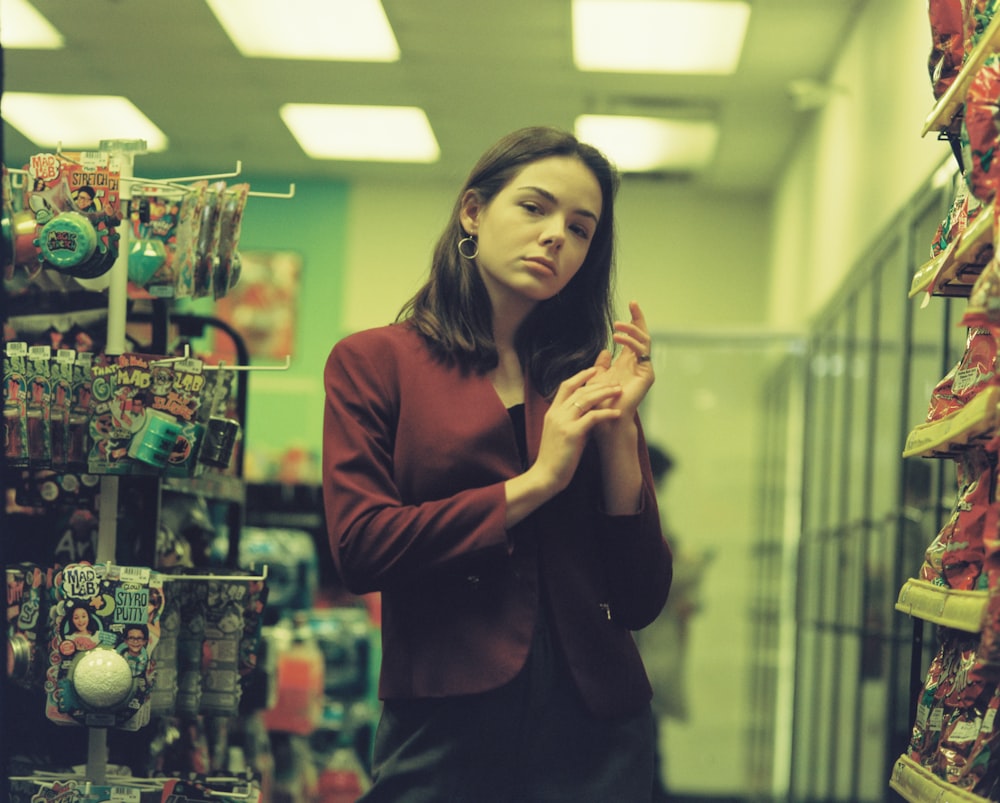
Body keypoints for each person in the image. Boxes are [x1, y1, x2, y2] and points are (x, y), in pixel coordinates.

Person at [322, 126, 673, 802]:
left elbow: (640, 597)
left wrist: (620, 437)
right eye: (534, 208)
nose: (555, 237)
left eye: (580, 227)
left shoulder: (587, 381)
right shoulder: (375, 363)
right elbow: (360, 547)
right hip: (443, 721)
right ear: (473, 212)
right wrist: (538, 481)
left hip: (598, 730)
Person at [636, 445, 711, 801]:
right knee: (647, 731)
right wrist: (693, 566)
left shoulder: (648, 510)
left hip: (649, 638)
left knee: (649, 731)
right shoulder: (646, 512)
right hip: (646, 642)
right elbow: (664, 575)